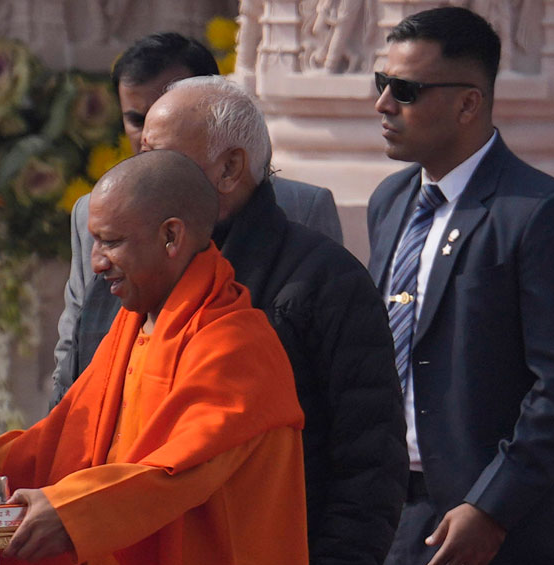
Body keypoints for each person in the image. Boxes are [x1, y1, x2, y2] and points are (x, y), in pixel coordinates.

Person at [63, 74, 408, 565]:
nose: (142, 172)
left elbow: (370, 458)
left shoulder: (322, 280)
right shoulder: (126, 274)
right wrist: (55, 557)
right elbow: (81, 422)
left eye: (161, 157)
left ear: (229, 169)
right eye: (141, 154)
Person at [0, 149, 309, 565]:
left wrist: (67, 513)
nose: (96, 262)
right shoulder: (133, 327)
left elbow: (175, 470)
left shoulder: (239, 344)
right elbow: (60, 441)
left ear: (171, 236)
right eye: (94, 241)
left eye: (111, 242)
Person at [362, 6, 554, 565]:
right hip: (384, 517)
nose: (384, 104)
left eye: (406, 90)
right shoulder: (391, 200)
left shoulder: (543, 214)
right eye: (382, 83)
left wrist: (491, 507)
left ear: (469, 103)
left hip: (488, 536)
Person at [52, 34, 343, 403]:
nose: (149, 137)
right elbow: (76, 356)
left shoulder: (303, 220)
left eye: (170, 110)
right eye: (137, 121)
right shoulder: (96, 219)